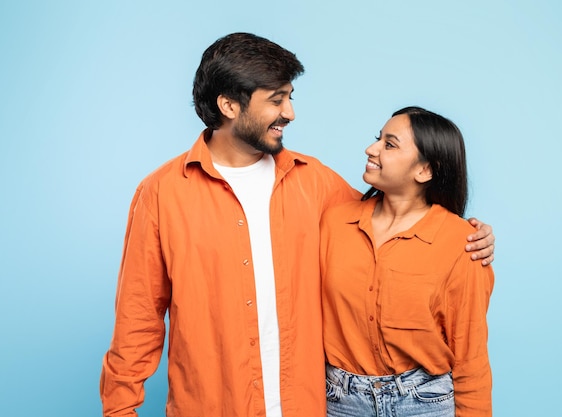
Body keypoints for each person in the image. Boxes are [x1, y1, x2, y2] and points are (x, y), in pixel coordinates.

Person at [100, 33, 495, 417]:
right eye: (277, 100)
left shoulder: (316, 182)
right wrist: (119, 410)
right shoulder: (161, 193)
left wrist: (471, 235)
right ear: (229, 105)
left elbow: (394, 220)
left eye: (290, 97)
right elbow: (138, 320)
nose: (290, 113)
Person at [321, 106, 494, 417]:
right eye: (378, 139)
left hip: (424, 403)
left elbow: (471, 355)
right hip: (339, 402)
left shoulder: (461, 243)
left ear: (425, 170)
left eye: (389, 144)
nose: (370, 149)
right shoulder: (333, 224)